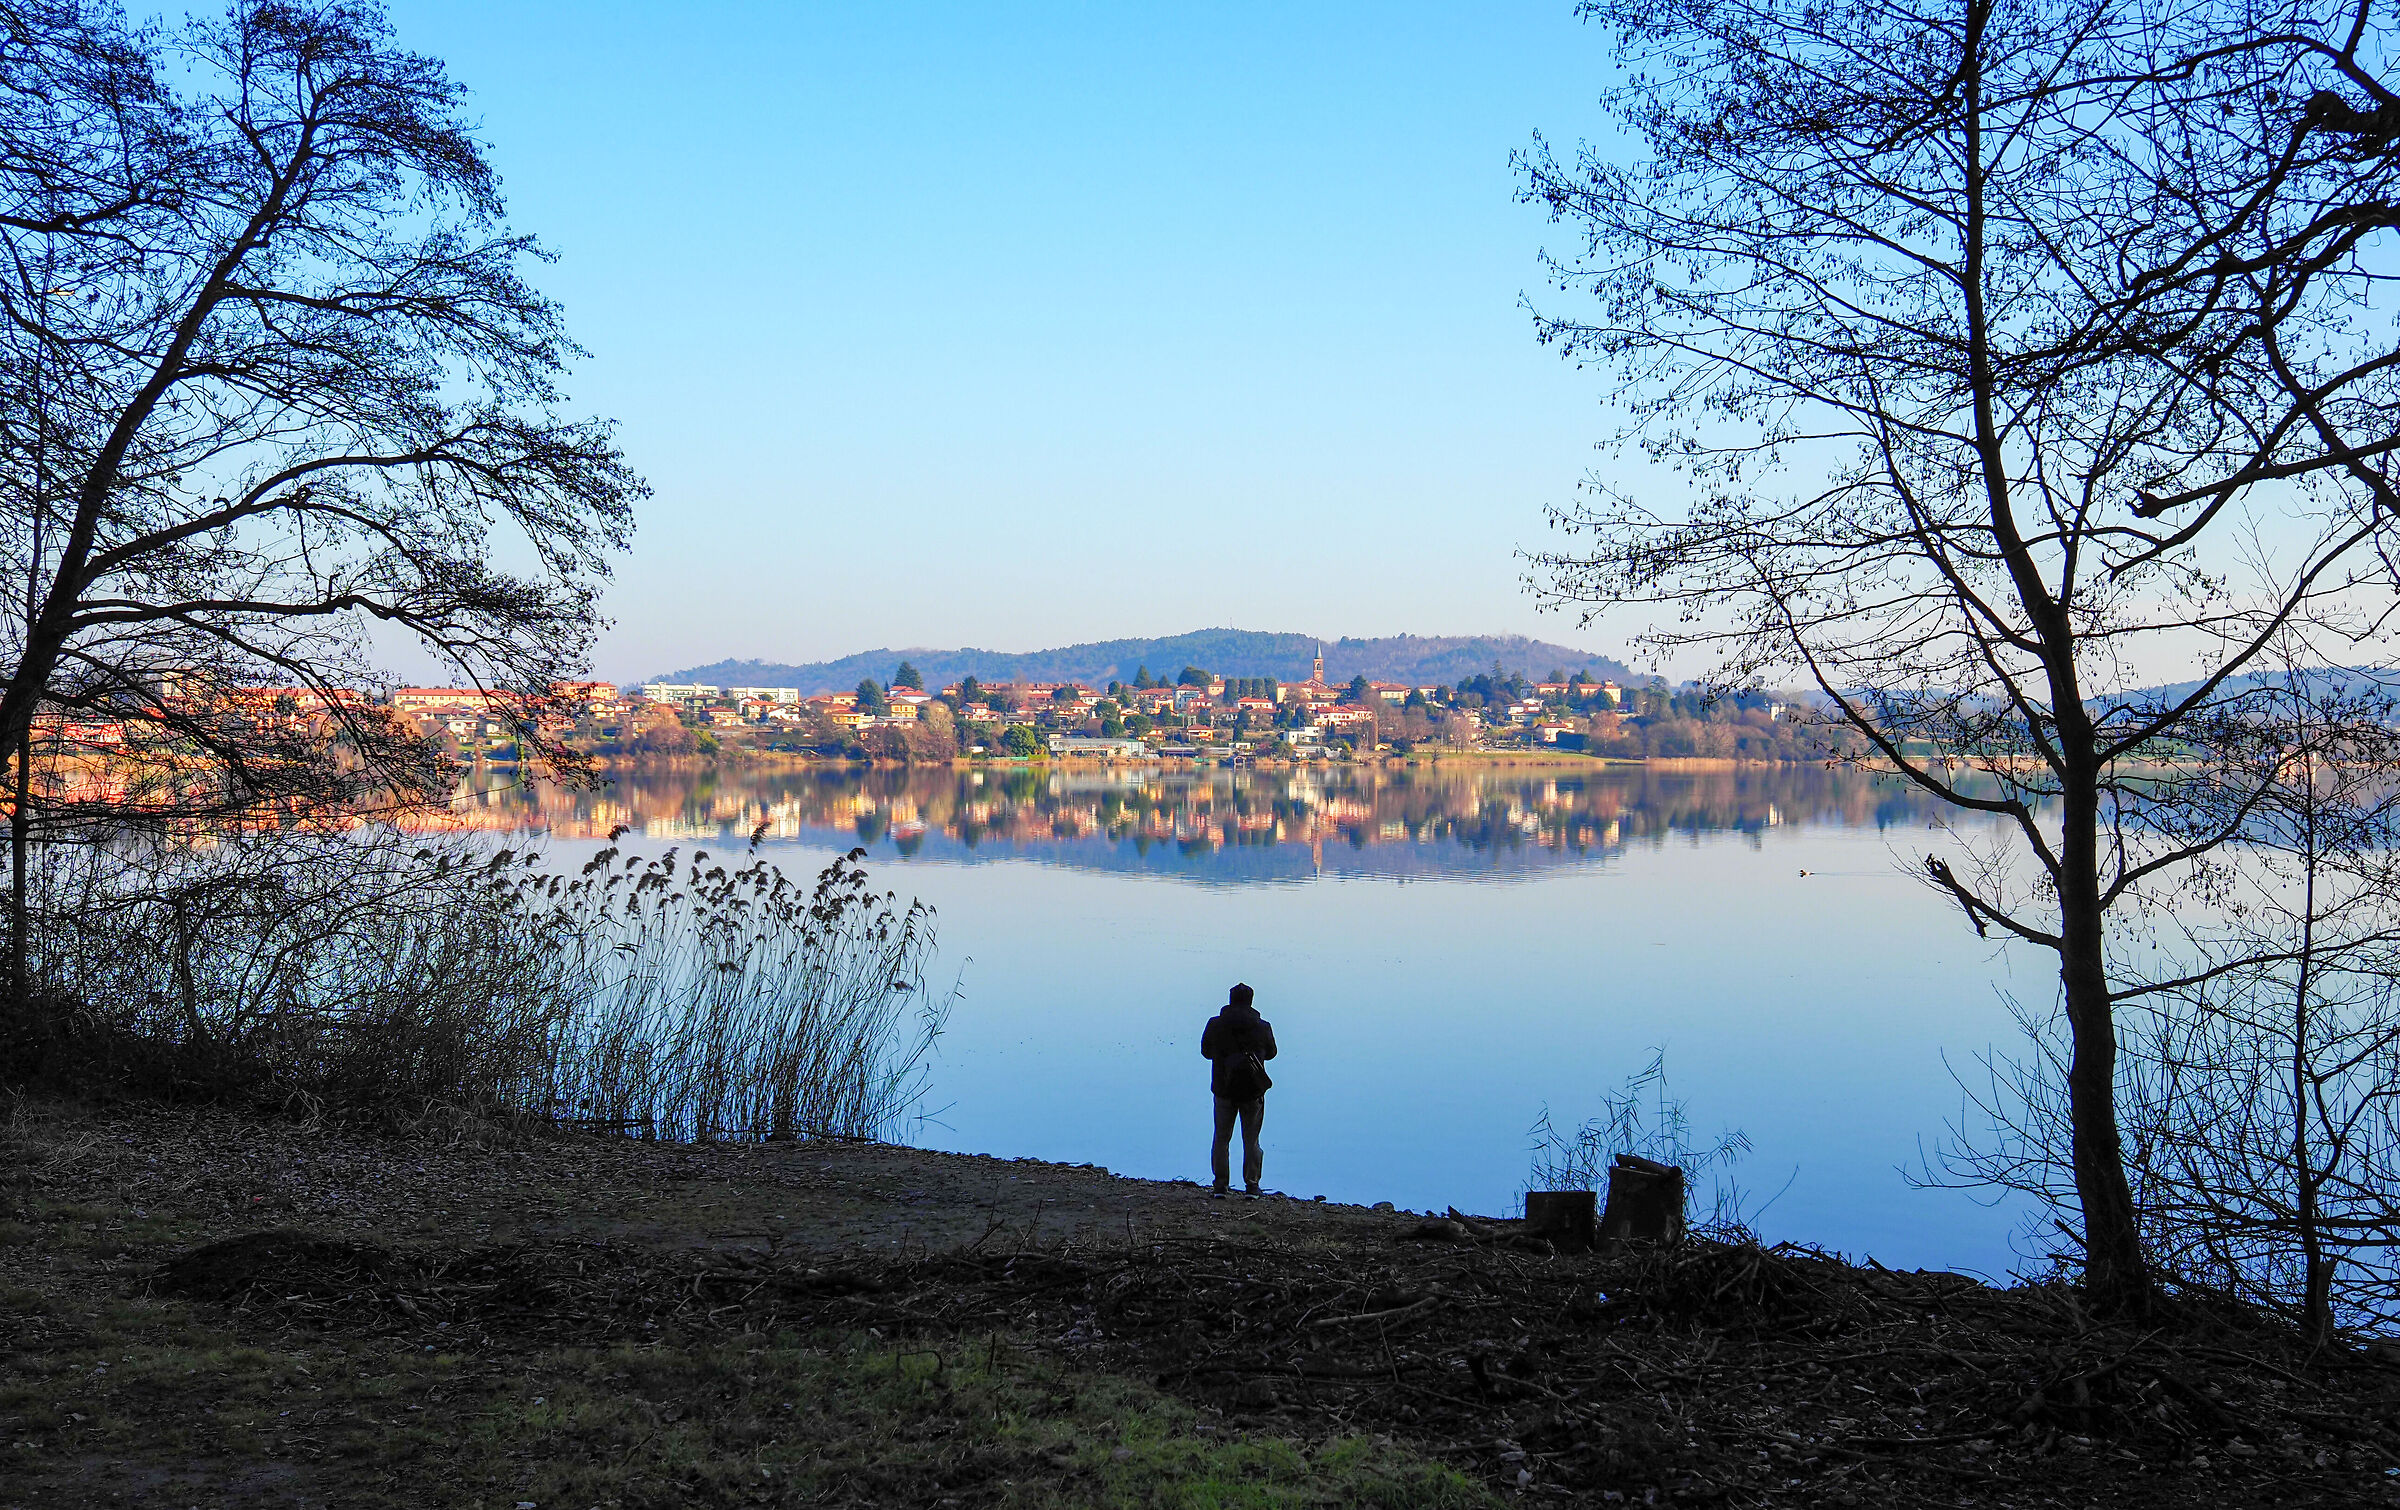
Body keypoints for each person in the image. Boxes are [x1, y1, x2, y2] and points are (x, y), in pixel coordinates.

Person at [1201, 982, 1277, 1198]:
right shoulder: (1263, 1027)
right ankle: (1252, 1186)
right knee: (1251, 1140)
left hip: (1223, 1090)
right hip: (1253, 1091)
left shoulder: (1215, 1025)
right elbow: (1272, 1053)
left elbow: (1205, 1051)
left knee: (1221, 1138)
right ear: (1251, 1001)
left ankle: (1220, 1186)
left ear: (1230, 999)